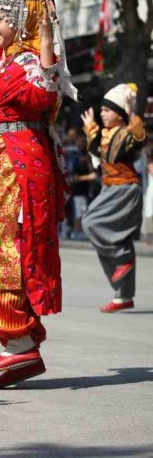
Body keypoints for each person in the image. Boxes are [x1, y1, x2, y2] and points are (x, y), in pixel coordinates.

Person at [0, 0, 77, 389]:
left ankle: (20, 343)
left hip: (18, 168)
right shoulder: (9, 59)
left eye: (0, 18)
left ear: (21, 21)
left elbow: (47, 95)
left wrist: (45, 40)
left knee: (6, 252)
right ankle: (20, 345)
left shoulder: (32, 62)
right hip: (3, 164)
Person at [81, 83, 146, 312]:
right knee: (114, 239)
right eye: (102, 110)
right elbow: (97, 152)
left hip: (125, 190)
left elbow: (139, 138)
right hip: (110, 189)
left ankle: (122, 258)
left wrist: (133, 118)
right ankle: (123, 295)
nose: (102, 114)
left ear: (120, 113)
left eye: (107, 110)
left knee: (91, 223)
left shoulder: (127, 132)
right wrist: (90, 128)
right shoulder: (105, 134)